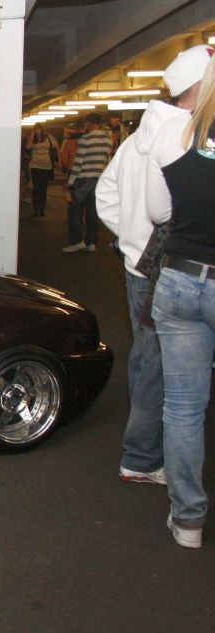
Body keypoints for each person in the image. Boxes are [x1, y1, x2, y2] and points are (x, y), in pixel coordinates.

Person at [95, 46, 210, 489]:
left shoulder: (137, 139)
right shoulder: (188, 138)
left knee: (148, 362)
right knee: (165, 371)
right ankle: (143, 457)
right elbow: (169, 210)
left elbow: (106, 195)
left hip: (141, 268)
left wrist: (131, 239)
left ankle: (143, 453)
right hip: (173, 268)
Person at [145, 47, 215, 549]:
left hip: (179, 278)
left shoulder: (170, 134)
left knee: (184, 409)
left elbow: (157, 211)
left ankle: (188, 520)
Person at [62, 112, 112, 252]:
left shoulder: (85, 139)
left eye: (86, 124)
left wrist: (70, 181)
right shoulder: (107, 139)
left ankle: (77, 241)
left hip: (83, 178)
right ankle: (91, 242)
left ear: (90, 123)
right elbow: (107, 160)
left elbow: (78, 162)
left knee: (75, 211)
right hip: (98, 179)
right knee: (92, 212)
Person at [24, 123, 58, 216]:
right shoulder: (32, 138)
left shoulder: (49, 137)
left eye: (39, 128)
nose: (38, 130)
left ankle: (42, 209)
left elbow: (56, 147)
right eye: (36, 129)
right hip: (35, 165)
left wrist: (59, 161)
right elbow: (28, 147)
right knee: (36, 187)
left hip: (47, 165)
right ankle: (35, 209)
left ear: (42, 129)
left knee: (44, 187)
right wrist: (32, 135)